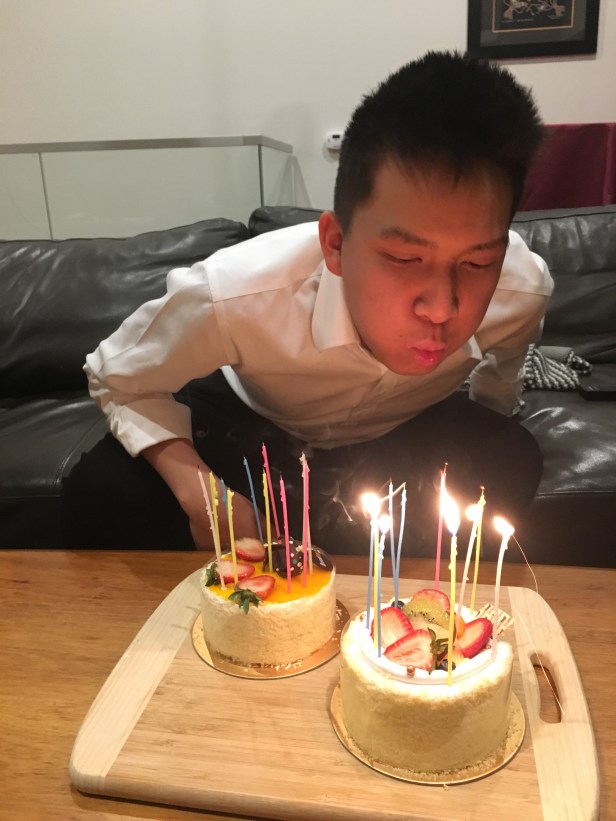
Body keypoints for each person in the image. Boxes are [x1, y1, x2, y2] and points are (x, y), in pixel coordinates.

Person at [73, 50, 553, 556]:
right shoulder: (235, 293)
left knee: (509, 457)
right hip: (251, 418)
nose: (441, 308)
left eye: (477, 263)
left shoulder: (521, 292)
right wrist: (205, 499)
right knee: (105, 489)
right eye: (404, 258)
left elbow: (498, 386)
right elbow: (117, 377)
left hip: (400, 430)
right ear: (336, 243)